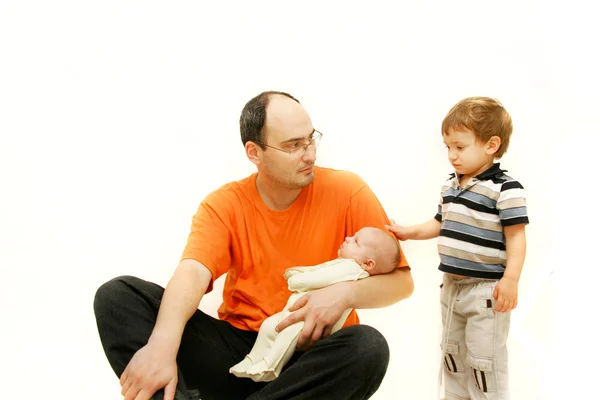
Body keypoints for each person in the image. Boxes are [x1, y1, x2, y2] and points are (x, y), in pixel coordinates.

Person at [94, 90, 413, 400]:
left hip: (310, 359)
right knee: (118, 297)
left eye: (310, 139)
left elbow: (401, 281)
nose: (310, 153)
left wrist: (345, 293)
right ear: (254, 152)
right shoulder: (224, 204)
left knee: (367, 347)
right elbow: (192, 272)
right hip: (238, 354)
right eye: (293, 146)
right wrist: (162, 346)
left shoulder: (348, 191)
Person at [387, 96, 529, 400]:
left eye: (460, 147)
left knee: (483, 361)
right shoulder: (450, 185)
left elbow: (517, 237)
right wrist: (410, 232)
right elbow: (441, 222)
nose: (452, 155)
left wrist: (511, 280)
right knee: (452, 354)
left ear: (491, 145)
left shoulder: (505, 188)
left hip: (485, 292)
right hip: (452, 287)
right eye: (448, 147)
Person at [229, 226, 401, 382]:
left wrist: (297, 280)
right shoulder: (343, 264)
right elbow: (320, 270)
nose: (348, 238)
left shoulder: (352, 269)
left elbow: (320, 277)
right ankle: (252, 360)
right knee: (269, 326)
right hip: (296, 312)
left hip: (310, 321)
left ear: (368, 263)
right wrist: (299, 271)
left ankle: (270, 367)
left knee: (287, 334)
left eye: (355, 241)